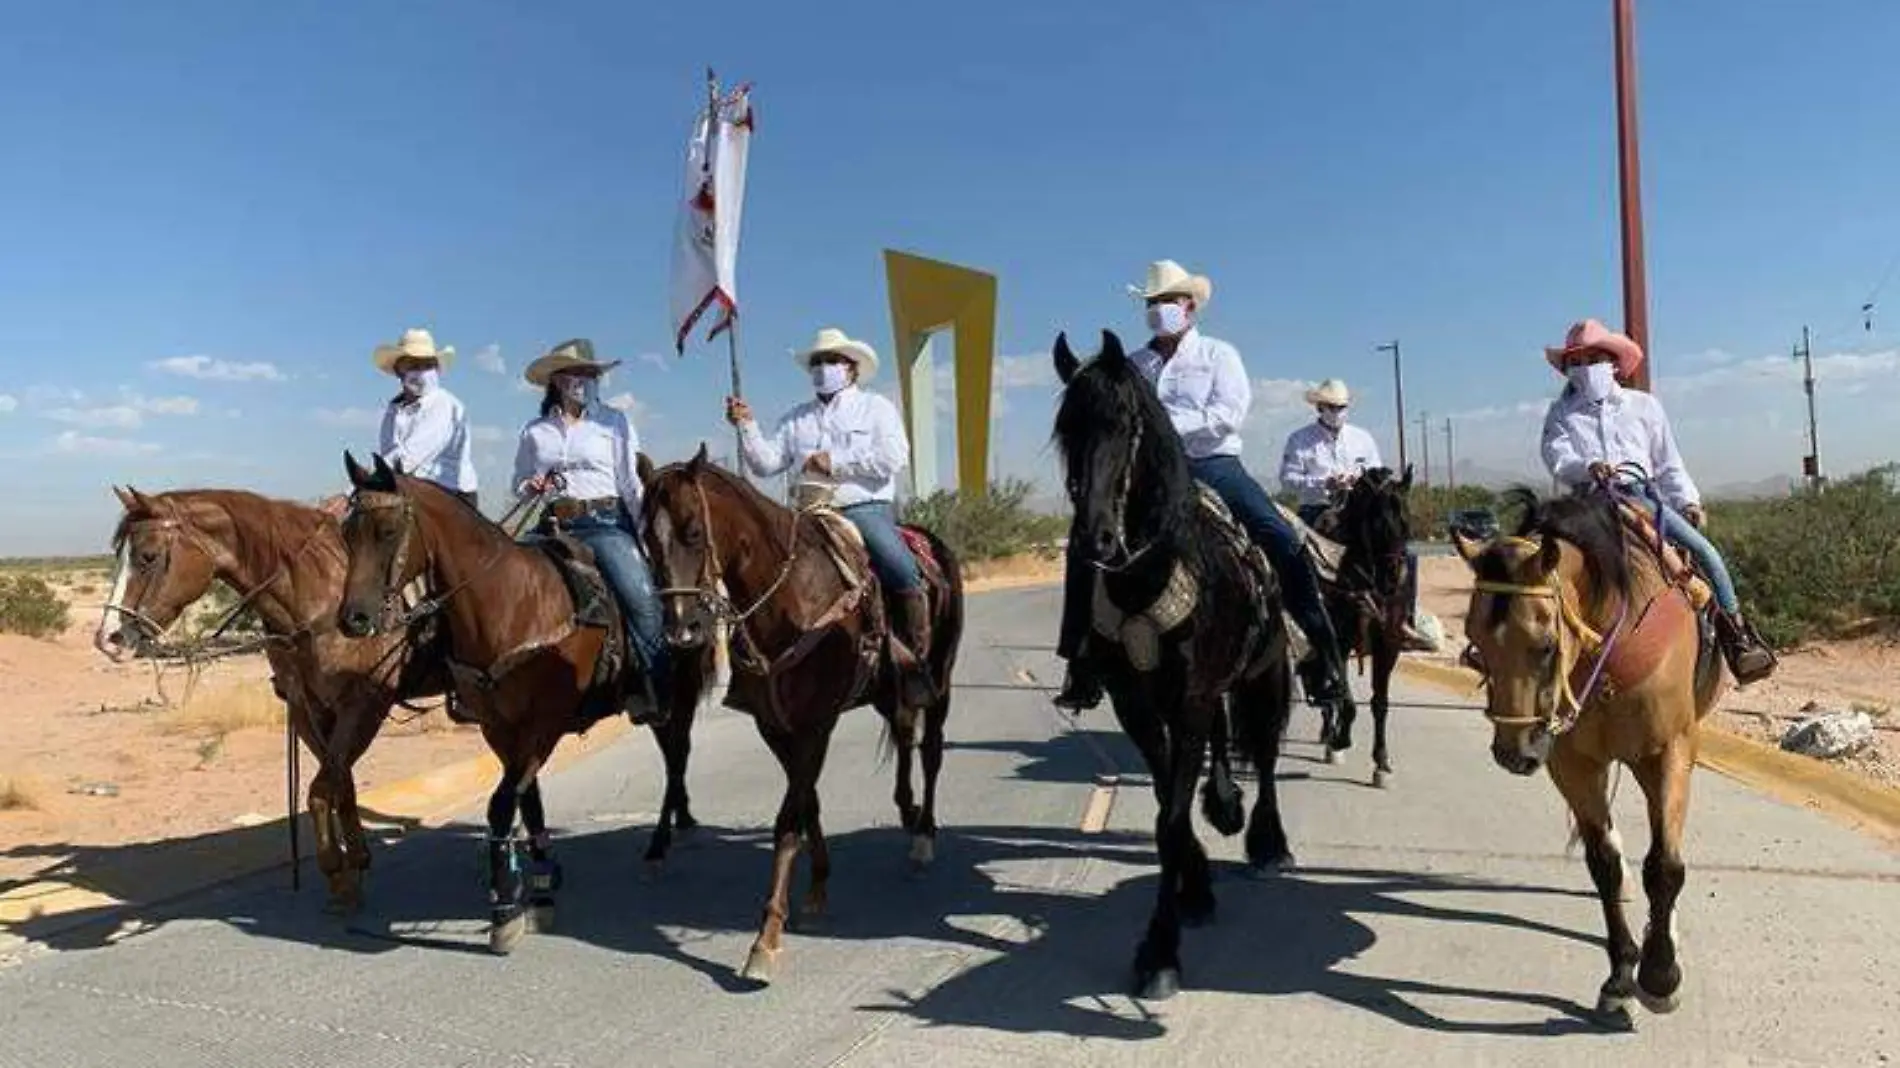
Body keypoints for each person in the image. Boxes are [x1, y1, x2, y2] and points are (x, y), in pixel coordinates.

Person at [1051, 259, 1353, 711]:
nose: (1159, 309)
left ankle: (1319, 654)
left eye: (1167, 301)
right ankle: (1080, 658)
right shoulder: (1132, 366)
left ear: (1190, 306)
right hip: (1149, 475)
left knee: (1278, 535)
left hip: (1214, 464)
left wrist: (1164, 427)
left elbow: (1228, 414)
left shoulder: (1219, 355)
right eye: (1152, 303)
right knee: (1086, 541)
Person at [1539, 318, 1777, 684]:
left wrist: (1688, 501)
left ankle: (1738, 639)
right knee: (1534, 565)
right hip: (1587, 502)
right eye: (1577, 361)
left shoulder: (1644, 407)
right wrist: (1587, 466)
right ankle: (1528, 651)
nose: (1586, 369)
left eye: (1595, 359)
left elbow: (1668, 463)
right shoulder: (1561, 414)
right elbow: (1556, 455)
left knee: (1706, 554)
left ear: (1614, 362)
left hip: (1642, 498)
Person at [722, 326, 937, 707]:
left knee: (899, 567)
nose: (823, 367)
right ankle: (754, 672)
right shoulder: (796, 418)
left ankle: (914, 664)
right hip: (806, 514)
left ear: (851, 368)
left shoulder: (876, 408)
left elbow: (894, 456)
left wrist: (835, 462)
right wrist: (747, 425)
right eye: (817, 362)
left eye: (832, 360)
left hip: (862, 508)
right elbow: (766, 463)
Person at [512, 339, 669, 724]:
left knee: (641, 598)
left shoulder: (614, 421)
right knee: (507, 579)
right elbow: (518, 480)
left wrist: (644, 534)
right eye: (576, 373)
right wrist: (530, 486)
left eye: (590, 374)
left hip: (604, 523)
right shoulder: (535, 431)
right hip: (552, 523)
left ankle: (654, 685)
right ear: (558, 380)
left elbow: (630, 483)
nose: (584, 380)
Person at [1280, 379, 1431, 650]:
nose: (1337, 412)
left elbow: (1377, 475)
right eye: (1332, 407)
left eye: (1342, 407)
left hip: (1361, 511)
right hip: (1317, 509)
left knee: (1404, 553)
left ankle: (1404, 620)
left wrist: (1360, 482)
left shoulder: (1362, 438)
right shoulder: (1300, 439)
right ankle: (1297, 617)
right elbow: (1288, 479)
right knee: (1293, 551)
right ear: (1320, 407)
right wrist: (1324, 482)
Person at [372, 327, 479, 508]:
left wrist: (355, 486)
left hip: (451, 496)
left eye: (427, 365)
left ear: (437, 369)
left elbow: (406, 459)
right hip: (410, 492)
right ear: (399, 370)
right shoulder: (393, 410)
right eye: (413, 365)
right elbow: (390, 458)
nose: (421, 372)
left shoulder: (445, 405)